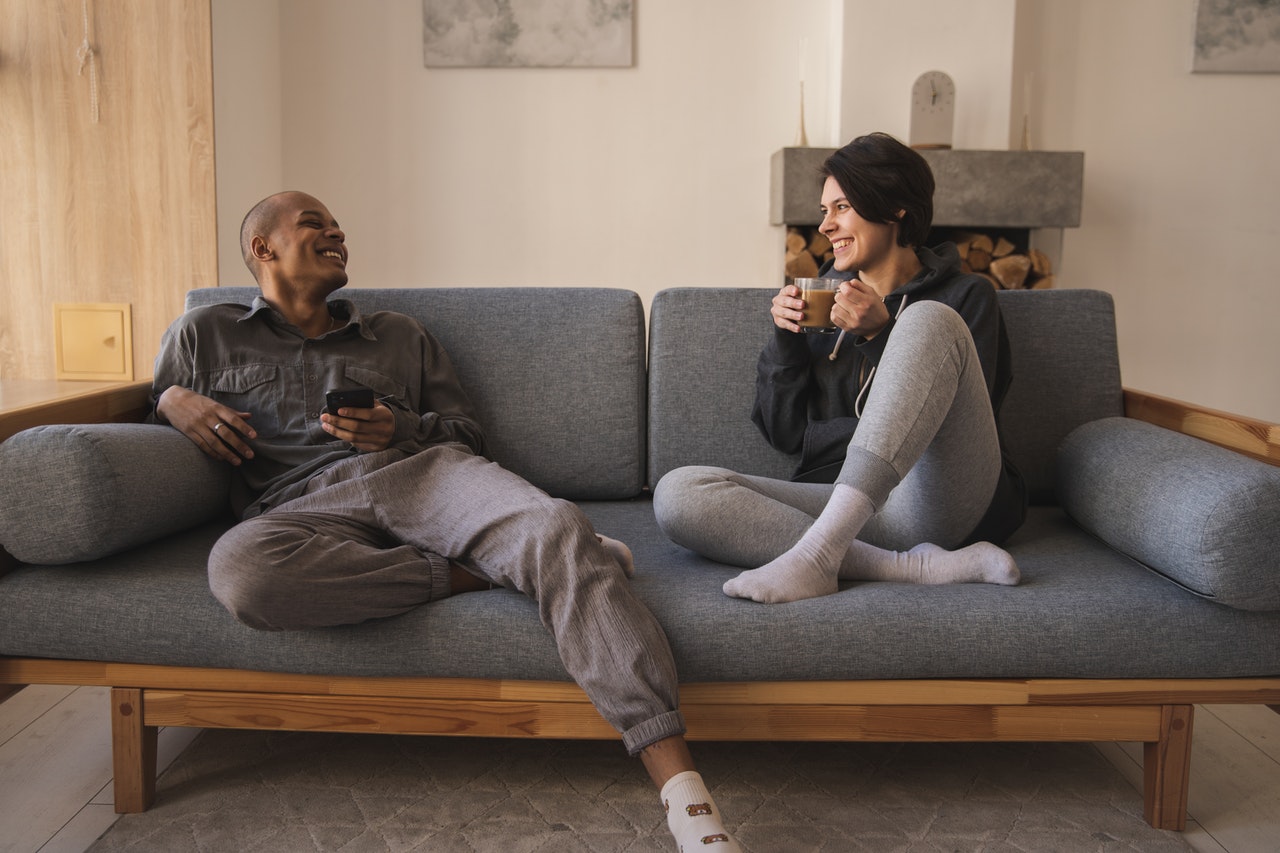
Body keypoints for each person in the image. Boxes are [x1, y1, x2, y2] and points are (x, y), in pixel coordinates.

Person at [149, 190, 741, 851]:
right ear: (264, 248)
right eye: (315, 222)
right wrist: (170, 398)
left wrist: (396, 424)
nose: (337, 229)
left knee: (554, 526)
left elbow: (467, 436)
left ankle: (688, 801)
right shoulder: (205, 332)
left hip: (428, 474)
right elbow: (150, 418)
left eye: (339, 222)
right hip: (301, 506)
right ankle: (479, 574)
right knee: (240, 570)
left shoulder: (399, 333)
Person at [654, 132, 1026, 604]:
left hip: (939, 497)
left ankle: (816, 558)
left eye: (842, 207)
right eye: (824, 211)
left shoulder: (965, 297)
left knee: (927, 320)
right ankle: (900, 566)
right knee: (679, 492)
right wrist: (785, 342)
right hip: (848, 509)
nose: (826, 226)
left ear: (895, 209)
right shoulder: (822, 301)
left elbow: (959, 424)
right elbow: (785, 435)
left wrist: (880, 335)